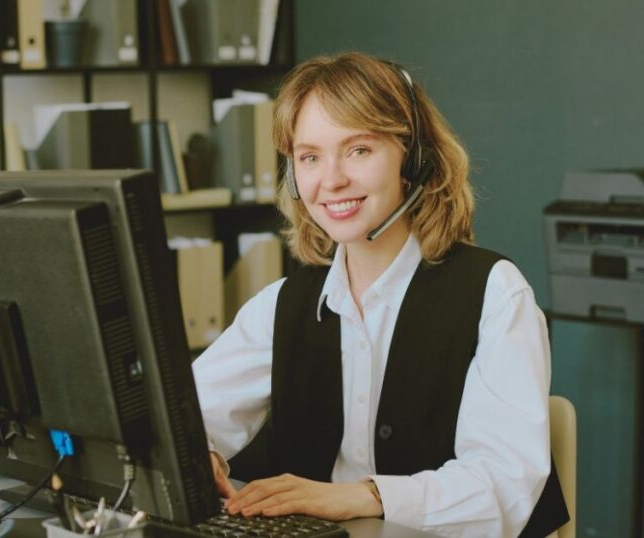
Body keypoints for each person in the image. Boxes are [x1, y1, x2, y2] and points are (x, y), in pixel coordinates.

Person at [193, 52, 568, 537]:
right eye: (309, 157)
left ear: (413, 158)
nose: (331, 180)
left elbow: (503, 483)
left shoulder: (494, 295)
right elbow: (184, 415)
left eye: (358, 150)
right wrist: (198, 455)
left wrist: (361, 497)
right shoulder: (284, 303)